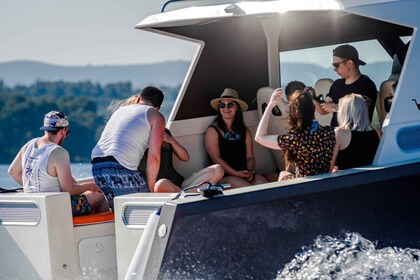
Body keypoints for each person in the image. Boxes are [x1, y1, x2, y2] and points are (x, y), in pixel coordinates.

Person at [8, 111, 109, 216]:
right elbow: (69, 190)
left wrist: (33, 187)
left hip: (35, 206)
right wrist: (89, 186)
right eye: (67, 133)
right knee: (100, 196)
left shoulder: (29, 145)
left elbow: (12, 172)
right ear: (63, 130)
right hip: (57, 208)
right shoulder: (58, 152)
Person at [91, 86, 165, 208]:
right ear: (158, 108)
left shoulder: (120, 111)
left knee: (117, 209)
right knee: (146, 207)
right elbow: (154, 158)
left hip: (97, 164)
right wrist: (151, 191)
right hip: (119, 167)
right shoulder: (156, 116)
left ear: (138, 99)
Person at [255, 88, 336, 180]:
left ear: (292, 112)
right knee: (283, 173)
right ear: (313, 109)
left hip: (303, 185)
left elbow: (259, 137)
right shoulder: (330, 132)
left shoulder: (293, 139)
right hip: (326, 181)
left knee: (282, 173)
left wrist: (270, 105)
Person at [205, 88, 267, 188]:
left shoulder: (245, 131)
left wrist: (251, 171)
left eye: (230, 105)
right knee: (246, 188)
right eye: (222, 105)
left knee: (263, 184)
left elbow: (250, 157)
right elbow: (215, 158)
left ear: (237, 108)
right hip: (224, 176)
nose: (226, 108)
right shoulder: (212, 130)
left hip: (244, 174)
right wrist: (235, 173)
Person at [138, 128, 225, 192]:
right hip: (161, 187)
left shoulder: (163, 132)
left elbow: (185, 157)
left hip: (181, 184)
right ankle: (189, 195)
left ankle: (185, 195)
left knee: (218, 169)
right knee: (161, 183)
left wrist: (171, 140)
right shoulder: (133, 142)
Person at [314, 44, 377, 127]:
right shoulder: (337, 84)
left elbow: (360, 110)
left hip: (357, 137)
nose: (334, 69)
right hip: (335, 138)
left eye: (336, 65)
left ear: (349, 63)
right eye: (333, 65)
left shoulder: (366, 84)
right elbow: (324, 110)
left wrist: (335, 107)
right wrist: (312, 97)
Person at [330, 93, 381, 171]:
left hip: (347, 180)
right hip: (371, 179)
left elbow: (329, 167)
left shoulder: (339, 133)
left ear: (345, 112)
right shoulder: (377, 134)